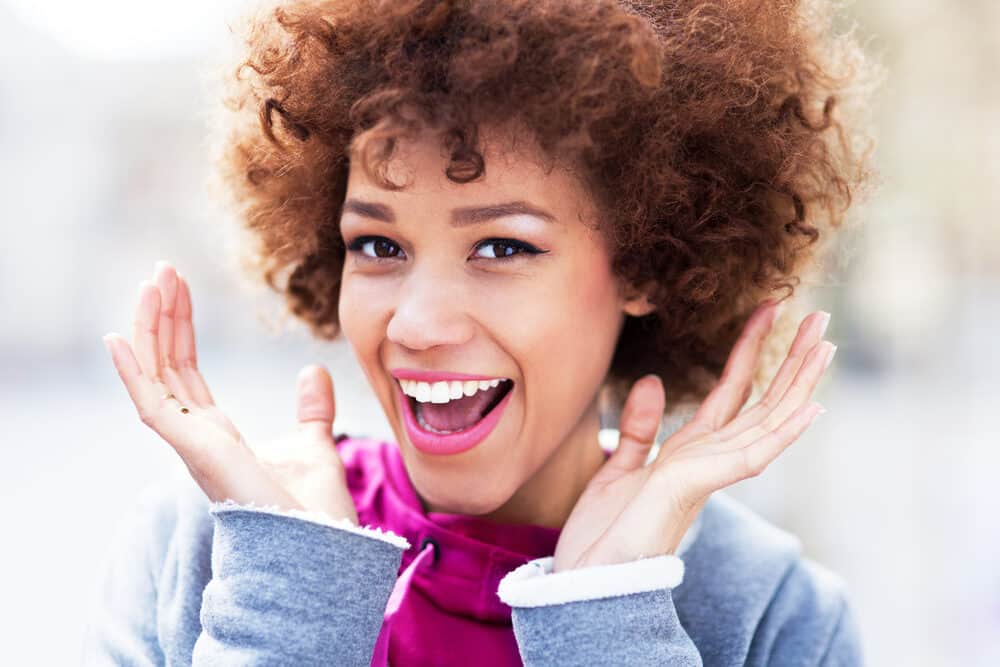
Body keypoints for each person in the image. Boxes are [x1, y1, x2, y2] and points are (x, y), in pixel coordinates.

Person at [84, 0, 880, 664]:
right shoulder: (203, 552)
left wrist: (608, 617)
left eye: (503, 247)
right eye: (379, 245)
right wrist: (295, 594)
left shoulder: (773, 617)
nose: (418, 324)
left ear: (645, 264)